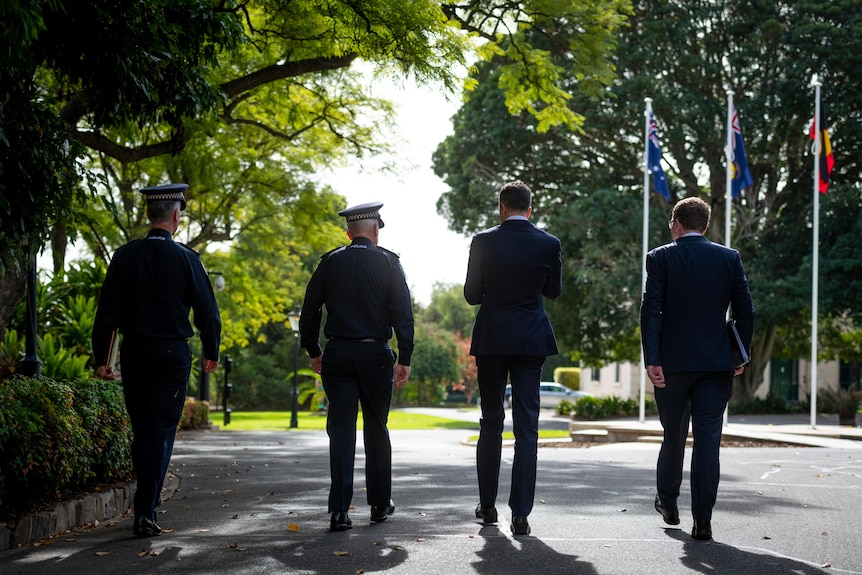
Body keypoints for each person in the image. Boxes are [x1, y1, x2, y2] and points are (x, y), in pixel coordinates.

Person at [92, 183, 221, 538]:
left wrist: (103, 358)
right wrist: (213, 350)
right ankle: (145, 510)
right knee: (161, 430)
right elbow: (208, 312)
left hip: (135, 354)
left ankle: (147, 500)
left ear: (150, 214)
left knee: (143, 430)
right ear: (176, 216)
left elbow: (107, 315)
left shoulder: (124, 256)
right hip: (171, 354)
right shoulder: (187, 258)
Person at [640, 196, 755, 541]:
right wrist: (740, 355)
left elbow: (651, 311)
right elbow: (746, 311)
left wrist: (652, 359)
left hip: (672, 364)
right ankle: (702, 521)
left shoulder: (660, 258)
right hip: (716, 363)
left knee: (673, 434)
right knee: (708, 440)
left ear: (677, 223)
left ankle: (669, 502)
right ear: (704, 225)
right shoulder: (729, 258)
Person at [299, 201, 413, 532]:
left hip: (338, 354)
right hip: (375, 355)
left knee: (341, 430)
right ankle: (379, 504)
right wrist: (404, 356)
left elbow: (310, 309)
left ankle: (339, 510)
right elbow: (403, 312)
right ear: (375, 230)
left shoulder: (330, 262)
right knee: (377, 428)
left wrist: (313, 349)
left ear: (348, 232)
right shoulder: (390, 262)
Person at [465, 181, 562, 536]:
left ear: (502, 207)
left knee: (491, 420)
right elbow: (553, 290)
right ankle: (521, 513)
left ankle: (487, 507)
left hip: (492, 338)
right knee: (527, 426)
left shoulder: (483, 241)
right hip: (531, 339)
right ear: (529, 209)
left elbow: (472, 295)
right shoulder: (549, 243)